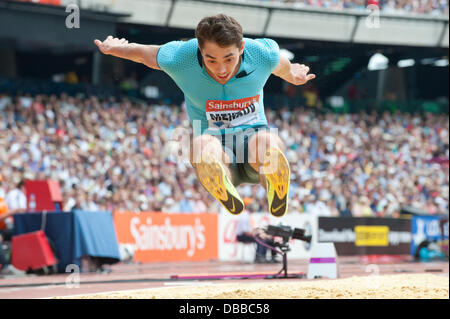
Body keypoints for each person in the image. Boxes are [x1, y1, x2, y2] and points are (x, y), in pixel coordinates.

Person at [95, 14, 316, 217]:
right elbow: (144, 54)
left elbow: (282, 65)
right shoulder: (181, 58)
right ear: (200, 50)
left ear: (241, 48)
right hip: (215, 144)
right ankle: (223, 185)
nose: (221, 69)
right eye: (212, 60)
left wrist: (292, 75)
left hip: (253, 141)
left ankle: (273, 181)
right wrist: (115, 49)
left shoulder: (261, 54)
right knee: (201, 146)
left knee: (268, 143)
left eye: (228, 59)